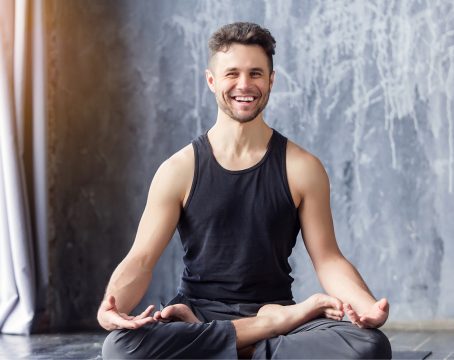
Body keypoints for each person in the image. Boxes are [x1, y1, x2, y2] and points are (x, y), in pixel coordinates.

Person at [98, 22, 392, 359]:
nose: (244, 85)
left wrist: (366, 305)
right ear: (211, 81)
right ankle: (259, 336)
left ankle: (236, 343)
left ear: (271, 80)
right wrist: (114, 306)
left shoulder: (303, 168)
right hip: (201, 314)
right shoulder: (178, 170)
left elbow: (328, 260)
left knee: (368, 346)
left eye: (255, 73)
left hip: (273, 310)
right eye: (232, 74)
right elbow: (142, 259)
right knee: (121, 348)